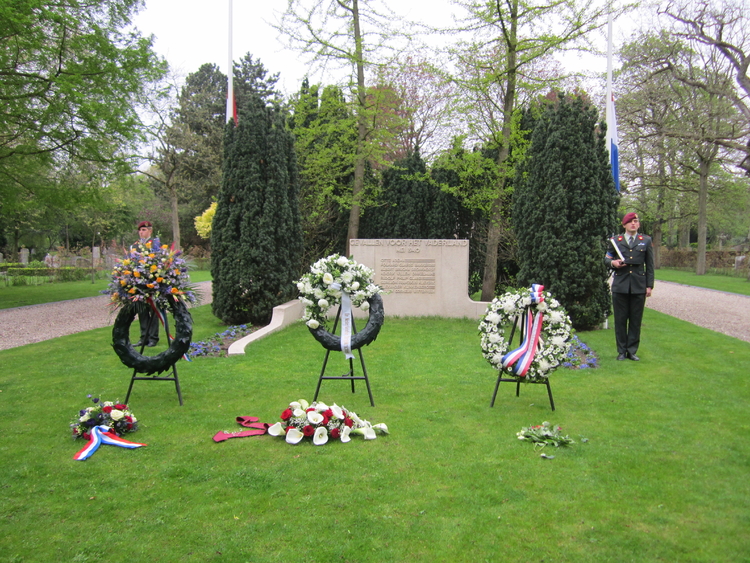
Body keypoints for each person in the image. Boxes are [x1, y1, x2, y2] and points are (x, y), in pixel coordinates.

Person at [605, 212, 654, 361]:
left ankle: (632, 351)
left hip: (638, 285)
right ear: (624, 224)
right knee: (620, 320)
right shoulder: (616, 241)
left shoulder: (645, 241)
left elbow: (650, 265)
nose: (634, 224)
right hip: (620, 284)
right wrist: (613, 263)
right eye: (631, 221)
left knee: (635, 319)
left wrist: (649, 286)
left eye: (636, 221)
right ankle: (621, 351)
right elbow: (607, 258)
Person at [131, 221, 160, 347]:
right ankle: (144, 337)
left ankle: (153, 338)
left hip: (152, 282)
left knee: (153, 310)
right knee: (142, 311)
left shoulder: (156, 244)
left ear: (150, 231)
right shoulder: (134, 246)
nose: (141, 232)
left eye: (144, 230)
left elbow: (159, 261)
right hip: (138, 282)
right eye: (140, 230)